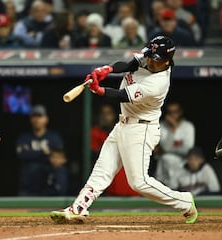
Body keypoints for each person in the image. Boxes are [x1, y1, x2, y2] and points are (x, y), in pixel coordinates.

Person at [50, 36, 198, 224]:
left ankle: (184, 202)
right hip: (123, 124)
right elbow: (129, 64)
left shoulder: (158, 83)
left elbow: (121, 95)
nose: (150, 60)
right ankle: (79, 207)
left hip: (141, 129)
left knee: (139, 182)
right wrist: (107, 69)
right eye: (150, 56)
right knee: (101, 170)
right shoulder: (151, 57)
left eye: (155, 58)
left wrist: (98, 89)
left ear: (167, 61)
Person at [16, 104, 64, 196]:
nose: (37, 119)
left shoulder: (54, 137)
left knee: (61, 171)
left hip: (48, 182)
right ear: (30, 119)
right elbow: (22, 155)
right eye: (34, 116)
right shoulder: (24, 138)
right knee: (32, 167)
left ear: (46, 119)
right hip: (28, 183)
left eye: (40, 116)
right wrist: (45, 153)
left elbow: (58, 159)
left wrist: (33, 154)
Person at [155, 102, 195, 187]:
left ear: (180, 112)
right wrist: (173, 130)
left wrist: (169, 150)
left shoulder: (188, 127)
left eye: (175, 112)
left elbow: (187, 150)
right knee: (167, 158)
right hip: (164, 164)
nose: (172, 115)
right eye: (170, 112)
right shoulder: (162, 126)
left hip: (183, 162)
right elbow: (165, 147)